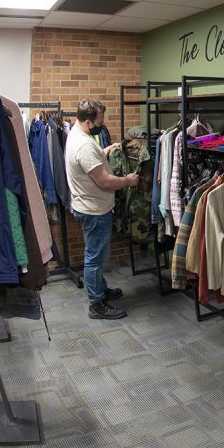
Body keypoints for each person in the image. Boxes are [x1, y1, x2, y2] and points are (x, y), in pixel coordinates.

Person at [65, 99, 138, 320]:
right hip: (94, 210)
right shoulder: (85, 145)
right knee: (95, 258)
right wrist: (127, 180)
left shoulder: (78, 136)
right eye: (99, 121)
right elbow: (105, 182)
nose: (101, 125)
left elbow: (90, 163)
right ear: (89, 122)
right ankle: (96, 304)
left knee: (96, 254)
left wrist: (105, 151)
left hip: (88, 206)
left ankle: (100, 289)